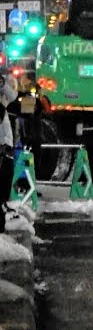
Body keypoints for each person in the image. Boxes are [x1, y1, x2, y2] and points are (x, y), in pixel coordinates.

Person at [0, 71, 18, 231]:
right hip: (3, 146)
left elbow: (13, 95)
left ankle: (3, 204)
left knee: (7, 177)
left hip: (5, 145)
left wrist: (3, 84)